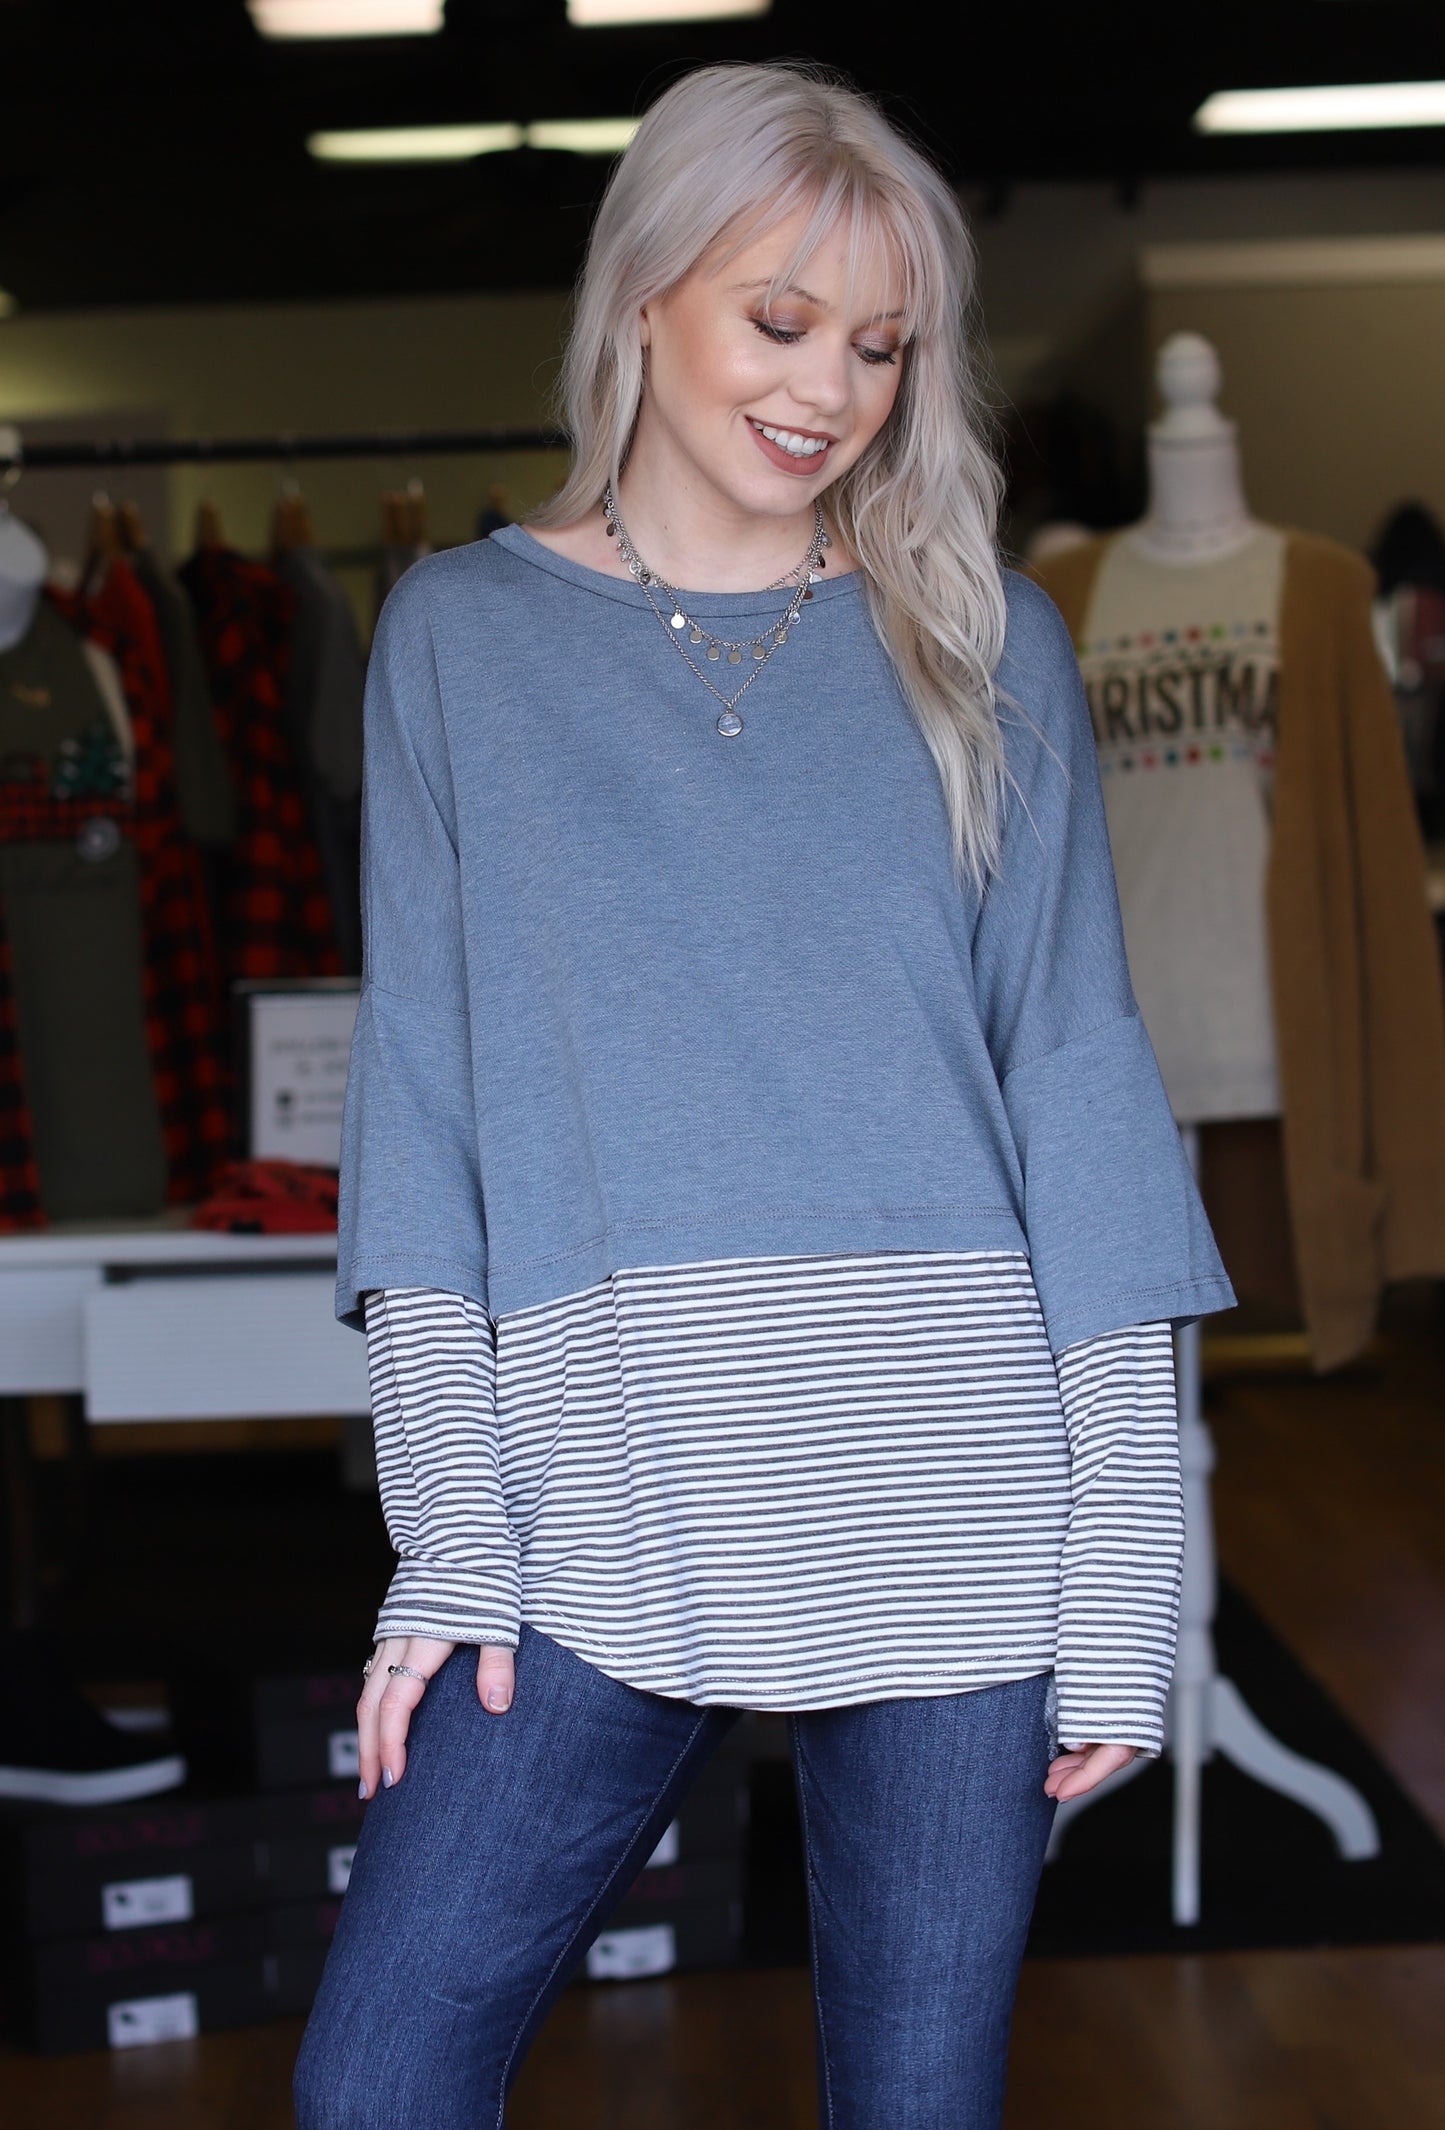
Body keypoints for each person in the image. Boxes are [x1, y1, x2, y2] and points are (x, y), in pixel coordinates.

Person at [294, 59, 1234, 2130]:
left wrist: (1122, 1574)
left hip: (959, 1511)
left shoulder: (982, 645)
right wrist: (448, 1540)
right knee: (376, 2085)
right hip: (600, 1496)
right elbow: (426, 1118)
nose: (831, 392)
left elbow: (1078, 1087)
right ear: (645, 294)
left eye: (880, 346)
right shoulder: (458, 640)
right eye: (782, 321)